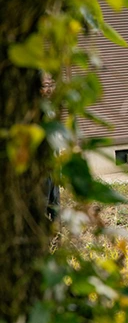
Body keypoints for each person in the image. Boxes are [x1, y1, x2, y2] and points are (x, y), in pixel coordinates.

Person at [40, 71, 59, 222]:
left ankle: (57, 242)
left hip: (54, 164)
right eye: (45, 86)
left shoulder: (51, 108)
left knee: (56, 206)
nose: (49, 90)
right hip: (41, 166)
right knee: (42, 204)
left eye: (51, 85)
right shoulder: (34, 111)